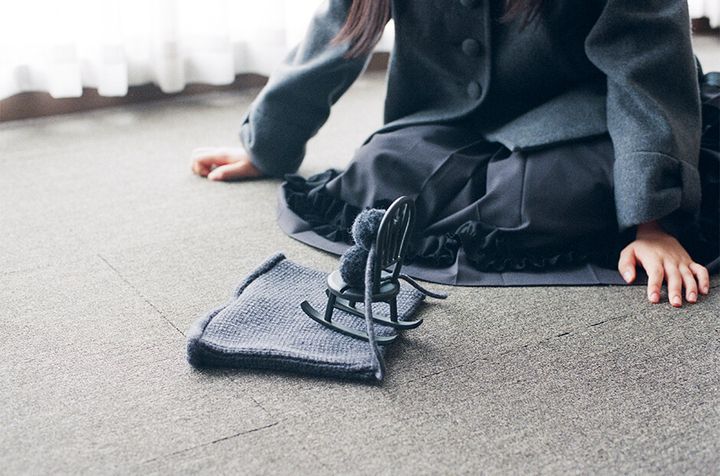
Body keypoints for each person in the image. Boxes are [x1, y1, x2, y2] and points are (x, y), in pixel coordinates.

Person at [191, 0, 719, 307]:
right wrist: (268, 146)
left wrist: (651, 224)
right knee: (380, 170)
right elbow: (337, 31)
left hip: (589, 112)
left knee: (543, 195)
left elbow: (644, 61)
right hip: (451, 117)